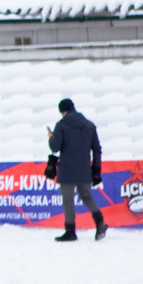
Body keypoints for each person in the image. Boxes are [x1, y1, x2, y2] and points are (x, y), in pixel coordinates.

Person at [46, 98, 106, 242]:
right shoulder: (89, 125)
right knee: (86, 196)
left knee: (68, 200)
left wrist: (51, 137)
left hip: (67, 169)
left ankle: (70, 231)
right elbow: (97, 149)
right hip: (84, 169)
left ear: (63, 111)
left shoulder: (61, 125)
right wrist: (96, 169)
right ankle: (100, 222)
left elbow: (55, 147)